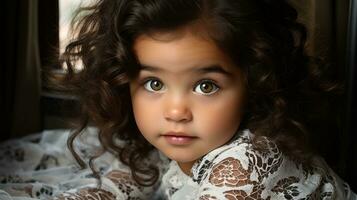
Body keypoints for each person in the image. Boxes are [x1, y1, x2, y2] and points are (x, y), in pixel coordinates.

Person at [0, 0, 356, 199]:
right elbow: (125, 183)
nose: (175, 112)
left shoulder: (251, 162)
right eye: (154, 83)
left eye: (205, 86)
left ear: (255, 83)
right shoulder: (185, 143)